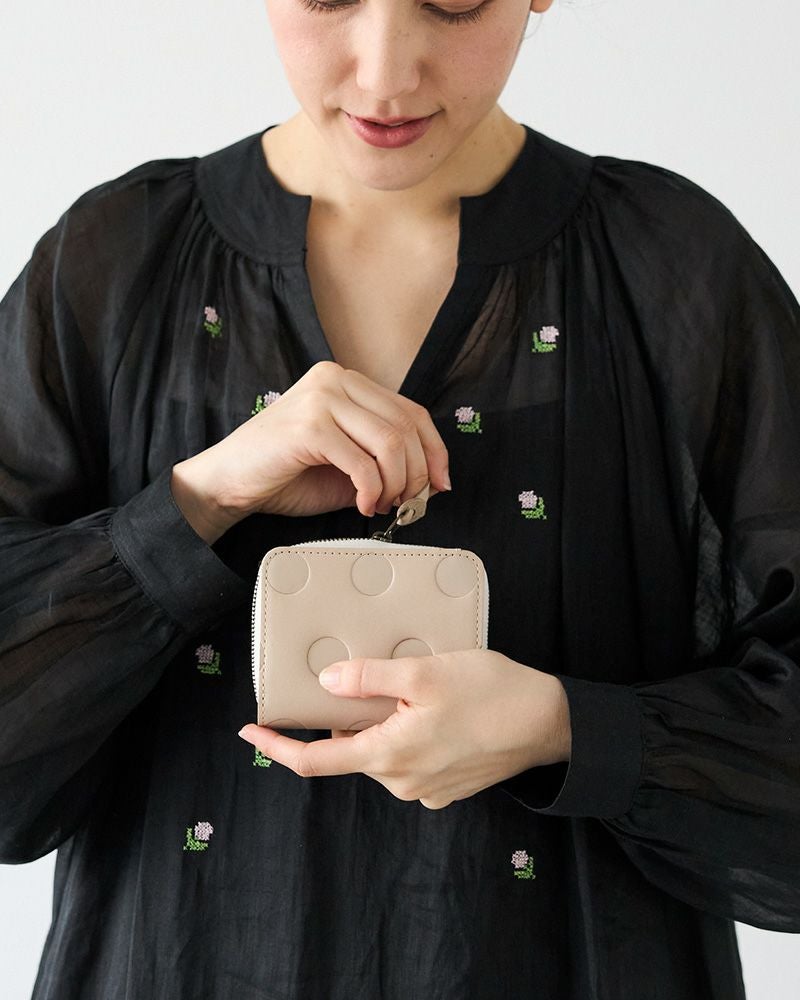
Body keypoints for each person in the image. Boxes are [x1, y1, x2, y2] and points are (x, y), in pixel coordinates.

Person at [1, 0, 799, 997]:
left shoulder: (675, 269)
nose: (385, 75)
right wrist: (199, 501)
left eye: (452, 2)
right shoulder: (114, 264)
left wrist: (562, 729)